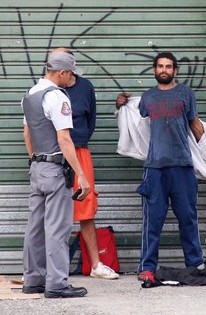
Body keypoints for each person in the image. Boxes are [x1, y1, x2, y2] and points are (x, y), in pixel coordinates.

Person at [115, 52, 205, 283]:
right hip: (155, 167)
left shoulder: (186, 93)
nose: (164, 70)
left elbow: (195, 124)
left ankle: (195, 264)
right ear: (155, 70)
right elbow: (135, 117)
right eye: (160, 66)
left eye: (168, 67)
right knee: (152, 221)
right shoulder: (148, 97)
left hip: (182, 165)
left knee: (188, 218)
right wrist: (121, 105)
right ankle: (147, 267)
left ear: (175, 70)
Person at [21, 50, 91, 298]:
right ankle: (57, 284)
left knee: (35, 227)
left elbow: (27, 135)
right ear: (61, 72)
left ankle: (33, 280)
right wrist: (80, 174)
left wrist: (34, 161)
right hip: (55, 169)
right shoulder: (57, 98)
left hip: (37, 167)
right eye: (70, 74)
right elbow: (64, 139)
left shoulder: (29, 95)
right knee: (57, 229)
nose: (71, 79)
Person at [51, 48, 119, 280]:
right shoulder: (49, 87)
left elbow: (91, 122)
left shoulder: (85, 87)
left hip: (79, 151)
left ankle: (96, 265)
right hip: (54, 153)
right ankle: (51, 267)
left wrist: (78, 142)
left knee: (86, 207)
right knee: (53, 211)